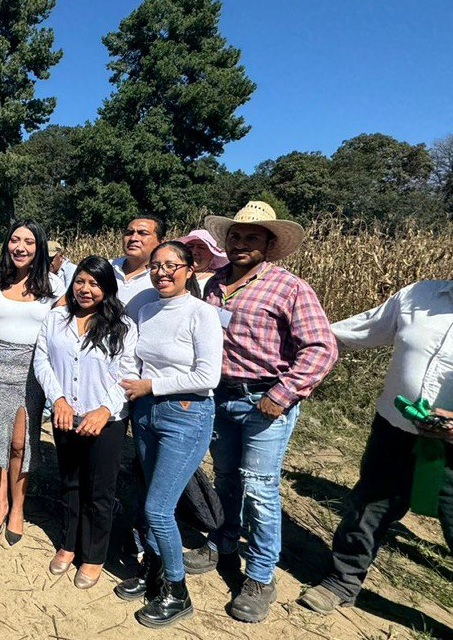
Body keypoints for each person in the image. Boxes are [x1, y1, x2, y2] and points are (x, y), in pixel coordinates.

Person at [297, 221, 453, 640]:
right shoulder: (420, 295)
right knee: (367, 511)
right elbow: (357, 331)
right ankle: (343, 580)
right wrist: (290, 336)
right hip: (397, 431)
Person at [184, 201, 338, 623]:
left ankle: (261, 575)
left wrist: (284, 393)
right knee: (226, 478)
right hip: (220, 397)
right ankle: (222, 543)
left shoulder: (289, 288)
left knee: (259, 488)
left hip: (264, 401)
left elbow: (321, 348)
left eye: (252, 237)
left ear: (270, 244)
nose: (241, 243)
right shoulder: (213, 283)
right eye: (236, 235)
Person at [114, 241, 223, 627]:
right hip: (146, 414)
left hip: (185, 415)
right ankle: (153, 573)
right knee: (149, 497)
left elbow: (207, 376)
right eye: (156, 266)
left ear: (189, 270)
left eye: (171, 266)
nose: (162, 273)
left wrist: (151, 387)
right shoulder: (145, 310)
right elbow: (133, 358)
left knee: (159, 509)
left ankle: (178, 593)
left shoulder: (202, 314)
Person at [34, 256, 137, 588]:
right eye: (80, 281)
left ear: (107, 288)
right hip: (66, 416)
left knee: (99, 491)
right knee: (70, 483)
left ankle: (93, 555)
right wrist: (58, 400)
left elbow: (128, 375)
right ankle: (67, 543)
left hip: (105, 421)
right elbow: (42, 361)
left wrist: (105, 410)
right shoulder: (55, 320)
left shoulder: (123, 327)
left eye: (94, 283)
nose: (85, 289)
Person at [0, 219, 65, 544]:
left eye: (28, 241)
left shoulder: (55, 288)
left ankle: (18, 507)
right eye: (15, 239)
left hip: (31, 372)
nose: (20, 247)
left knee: (20, 444)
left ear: (39, 247)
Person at [112, 215, 165, 319]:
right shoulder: (107, 268)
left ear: (161, 242)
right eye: (129, 233)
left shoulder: (164, 277)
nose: (133, 238)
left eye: (142, 233)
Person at [175, 230, 229, 295]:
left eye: (201, 247)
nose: (194, 252)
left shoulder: (217, 281)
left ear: (212, 254)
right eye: (190, 247)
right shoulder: (174, 274)